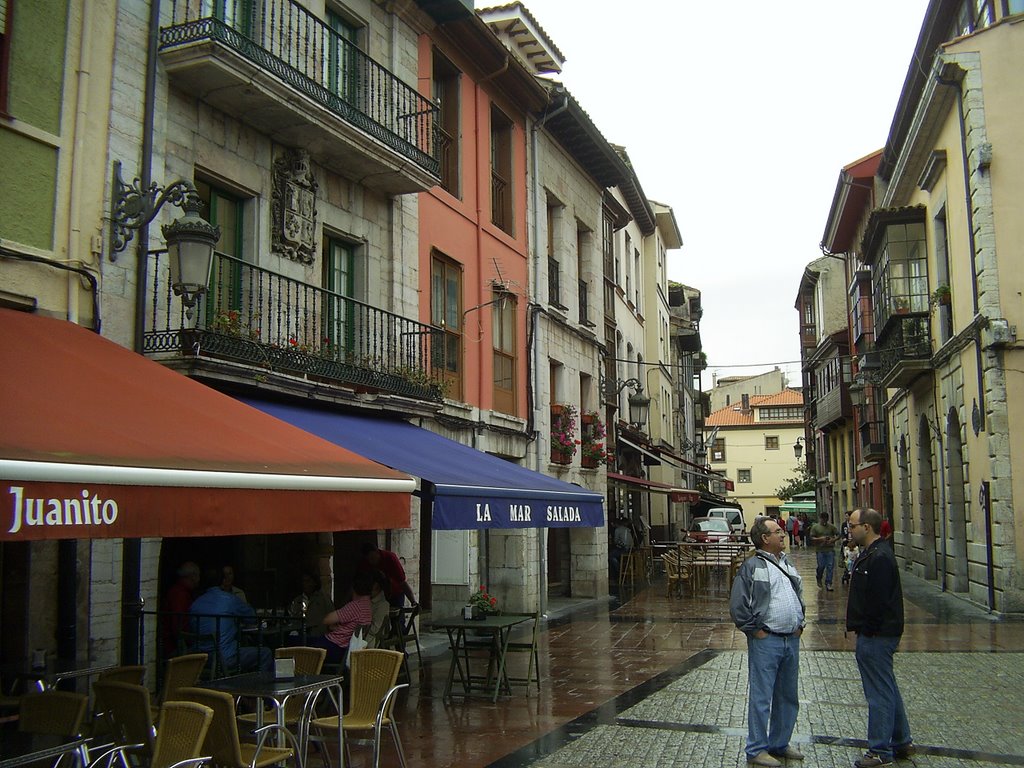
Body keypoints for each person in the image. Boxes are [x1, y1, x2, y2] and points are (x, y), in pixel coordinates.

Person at [730, 516, 805, 767]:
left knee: (788, 696)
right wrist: (756, 631)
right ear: (765, 538)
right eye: (777, 531)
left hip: (790, 640)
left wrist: (800, 623)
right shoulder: (752, 566)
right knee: (762, 697)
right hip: (767, 640)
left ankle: (779, 743)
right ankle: (757, 749)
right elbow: (738, 606)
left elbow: (797, 594)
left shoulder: (787, 562)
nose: (782, 534)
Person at [847, 508, 914, 767]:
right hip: (877, 631)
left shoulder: (880, 557)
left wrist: (868, 629)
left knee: (878, 693)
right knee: (887, 687)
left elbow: (880, 600)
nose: (849, 530)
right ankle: (901, 740)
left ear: (867, 527)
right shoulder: (873, 553)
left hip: (877, 634)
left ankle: (879, 751)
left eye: (853, 525)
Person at [189, 568, 271, 674]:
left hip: (200, 659)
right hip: (225, 657)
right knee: (266, 653)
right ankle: (257, 687)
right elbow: (251, 618)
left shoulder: (195, 604)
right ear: (222, 581)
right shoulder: (229, 599)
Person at [310, 572, 374, 666]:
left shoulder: (356, 606)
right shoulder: (368, 605)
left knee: (299, 644)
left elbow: (327, 619)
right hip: (344, 646)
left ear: (354, 588)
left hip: (335, 647)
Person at [356, 542, 417, 608]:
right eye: (368, 559)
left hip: (395, 594)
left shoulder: (390, 558)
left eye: (372, 558)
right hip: (375, 597)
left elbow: (402, 582)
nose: (371, 562)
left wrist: (413, 601)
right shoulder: (364, 564)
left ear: (377, 552)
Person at [162, 561, 200, 654]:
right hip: (175, 646)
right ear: (192, 577)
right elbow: (178, 623)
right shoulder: (180, 595)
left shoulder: (179, 592)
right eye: (198, 576)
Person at [288, 571, 334, 637]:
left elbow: (332, 616)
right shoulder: (297, 600)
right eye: (303, 581)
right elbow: (293, 618)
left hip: (319, 636)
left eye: (308, 581)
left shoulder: (323, 599)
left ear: (314, 583)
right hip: (301, 635)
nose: (305, 584)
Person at [809, 512, 839, 591]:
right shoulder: (815, 527)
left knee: (830, 566)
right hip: (820, 550)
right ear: (820, 518)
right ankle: (819, 577)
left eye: (826, 519)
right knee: (821, 566)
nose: (824, 521)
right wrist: (821, 539)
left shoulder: (831, 527)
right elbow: (812, 538)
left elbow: (839, 535)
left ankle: (828, 583)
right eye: (823, 519)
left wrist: (833, 540)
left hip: (830, 549)